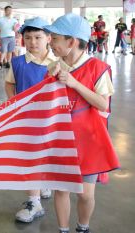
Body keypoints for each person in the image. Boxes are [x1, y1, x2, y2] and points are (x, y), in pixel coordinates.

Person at [43, 13, 120, 233]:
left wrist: (75, 84)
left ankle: (82, 227)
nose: (51, 42)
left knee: (85, 194)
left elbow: (103, 105)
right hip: (60, 138)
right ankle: (63, 229)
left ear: (72, 42)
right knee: (61, 190)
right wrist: (50, 78)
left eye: (55, 38)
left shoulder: (98, 68)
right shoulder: (53, 66)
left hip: (89, 140)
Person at [5, 17, 54, 223]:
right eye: (28, 37)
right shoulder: (17, 62)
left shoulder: (58, 64)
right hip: (26, 119)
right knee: (29, 158)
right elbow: (9, 83)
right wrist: (14, 103)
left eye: (38, 37)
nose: (33, 42)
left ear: (49, 38)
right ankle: (34, 202)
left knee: (47, 153)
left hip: (53, 119)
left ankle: (44, 180)